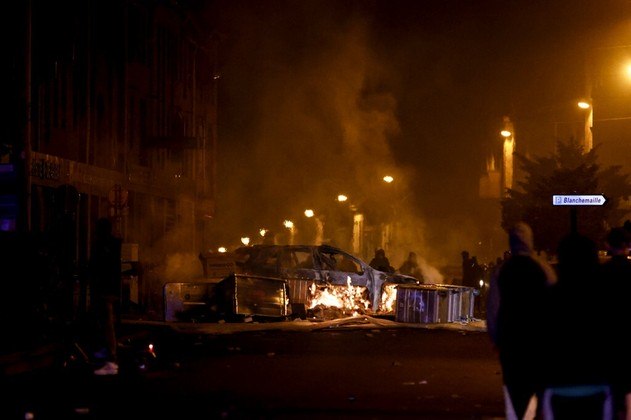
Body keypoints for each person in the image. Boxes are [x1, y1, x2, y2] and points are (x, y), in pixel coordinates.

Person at [538, 232, 614, 419]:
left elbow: (540, 343)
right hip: (597, 384)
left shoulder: (550, 297)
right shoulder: (604, 298)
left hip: (560, 384)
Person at [486, 222, 557, 420]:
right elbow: (555, 303)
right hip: (538, 337)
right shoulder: (543, 268)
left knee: (513, 386)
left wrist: (495, 337)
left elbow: (493, 307)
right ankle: (535, 413)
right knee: (537, 382)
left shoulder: (502, 270)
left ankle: (516, 415)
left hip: (511, 337)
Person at [596, 227, 631, 419]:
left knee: (612, 392)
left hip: (608, 342)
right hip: (628, 339)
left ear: (608, 245)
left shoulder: (602, 273)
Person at [88, 217, 122, 375]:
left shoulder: (101, 245)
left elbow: (96, 266)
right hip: (109, 289)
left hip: (102, 289)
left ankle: (109, 358)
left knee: (105, 323)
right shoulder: (115, 244)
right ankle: (109, 356)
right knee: (107, 323)